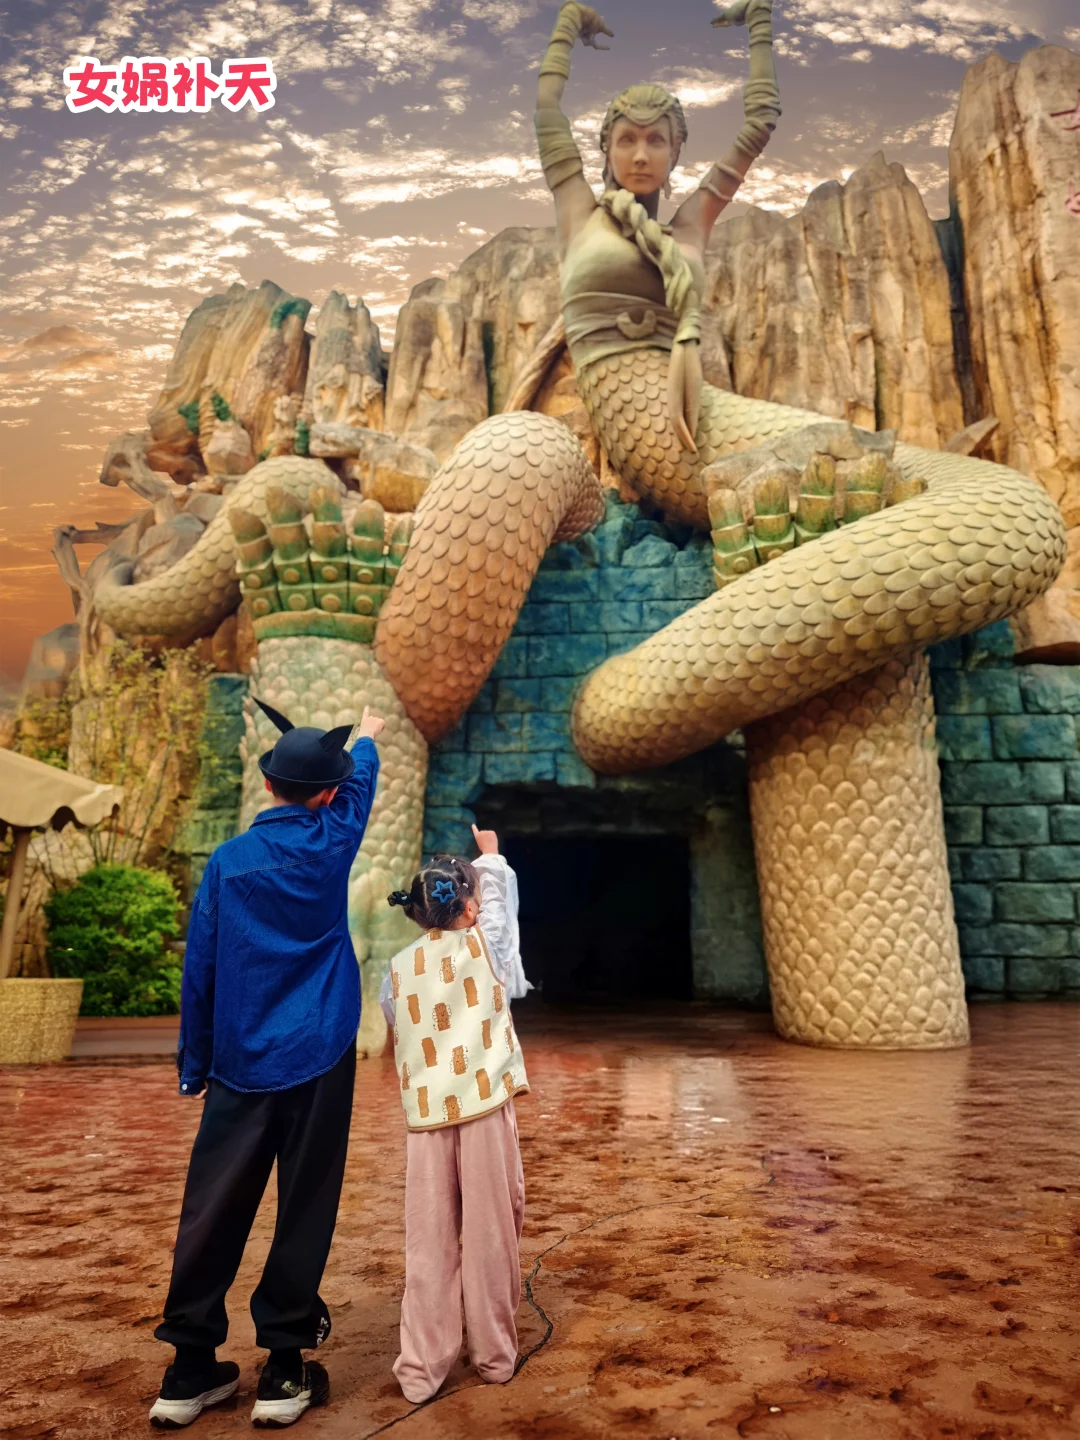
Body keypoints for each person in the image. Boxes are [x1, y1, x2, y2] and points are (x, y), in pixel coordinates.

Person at [149, 701, 385, 1430]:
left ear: (268, 784)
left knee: (212, 1205)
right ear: (326, 794)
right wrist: (367, 737)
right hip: (320, 1050)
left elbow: (201, 967)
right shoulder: (334, 838)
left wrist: (195, 1065)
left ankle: (189, 1368)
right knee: (305, 1202)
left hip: (239, 1058)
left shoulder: (228, 861)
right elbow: (361, 784)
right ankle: (284, 1368)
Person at [531, 0, 781, 524]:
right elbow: (547, 109)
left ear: (675, 152)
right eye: (626, 140)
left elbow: (760, 121)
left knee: (844, 456)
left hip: (694, 414)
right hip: (636, 425)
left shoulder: (689, 227)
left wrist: (759, 21)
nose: (641, 155)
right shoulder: (579, 213)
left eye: (655, 140)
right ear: (606, 149)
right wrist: (568, 24)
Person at [379, 826, 531, 1403]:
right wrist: (490, 857)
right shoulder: (487, 947)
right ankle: (493, 1357)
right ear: (469, 908)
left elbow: (398, 1022)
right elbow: (500, 912)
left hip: (427, 1118)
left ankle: (422, 1369)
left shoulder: (396, 969)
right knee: (491, 1229)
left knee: (429, 1237)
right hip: (484, 1108)